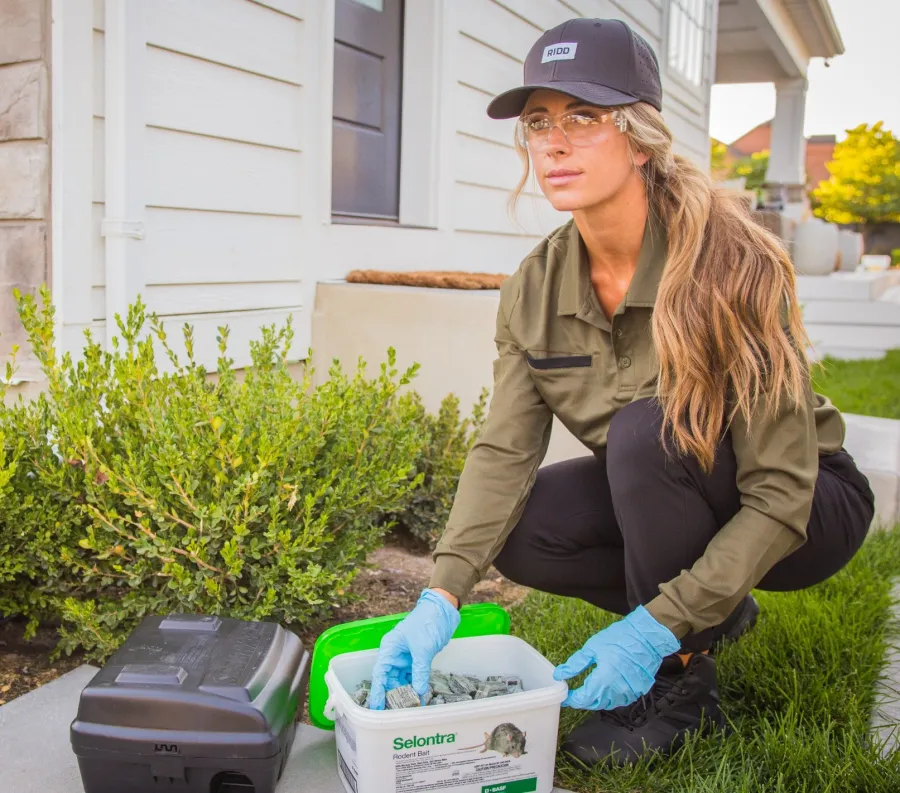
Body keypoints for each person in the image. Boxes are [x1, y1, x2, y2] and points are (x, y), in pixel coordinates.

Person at [367, 17, 876, 766]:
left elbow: (779, 491)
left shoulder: (734, 265)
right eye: (539, 122)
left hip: (805, 503)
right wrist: (440, 595)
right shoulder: (535, 287)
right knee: (524, 524)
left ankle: (679, 680)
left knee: (646, 432)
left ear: (639, 138)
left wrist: (655, 626)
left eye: (584, 118)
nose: (554, 142)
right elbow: (505, 447)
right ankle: (709, 612)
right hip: (670, 482)